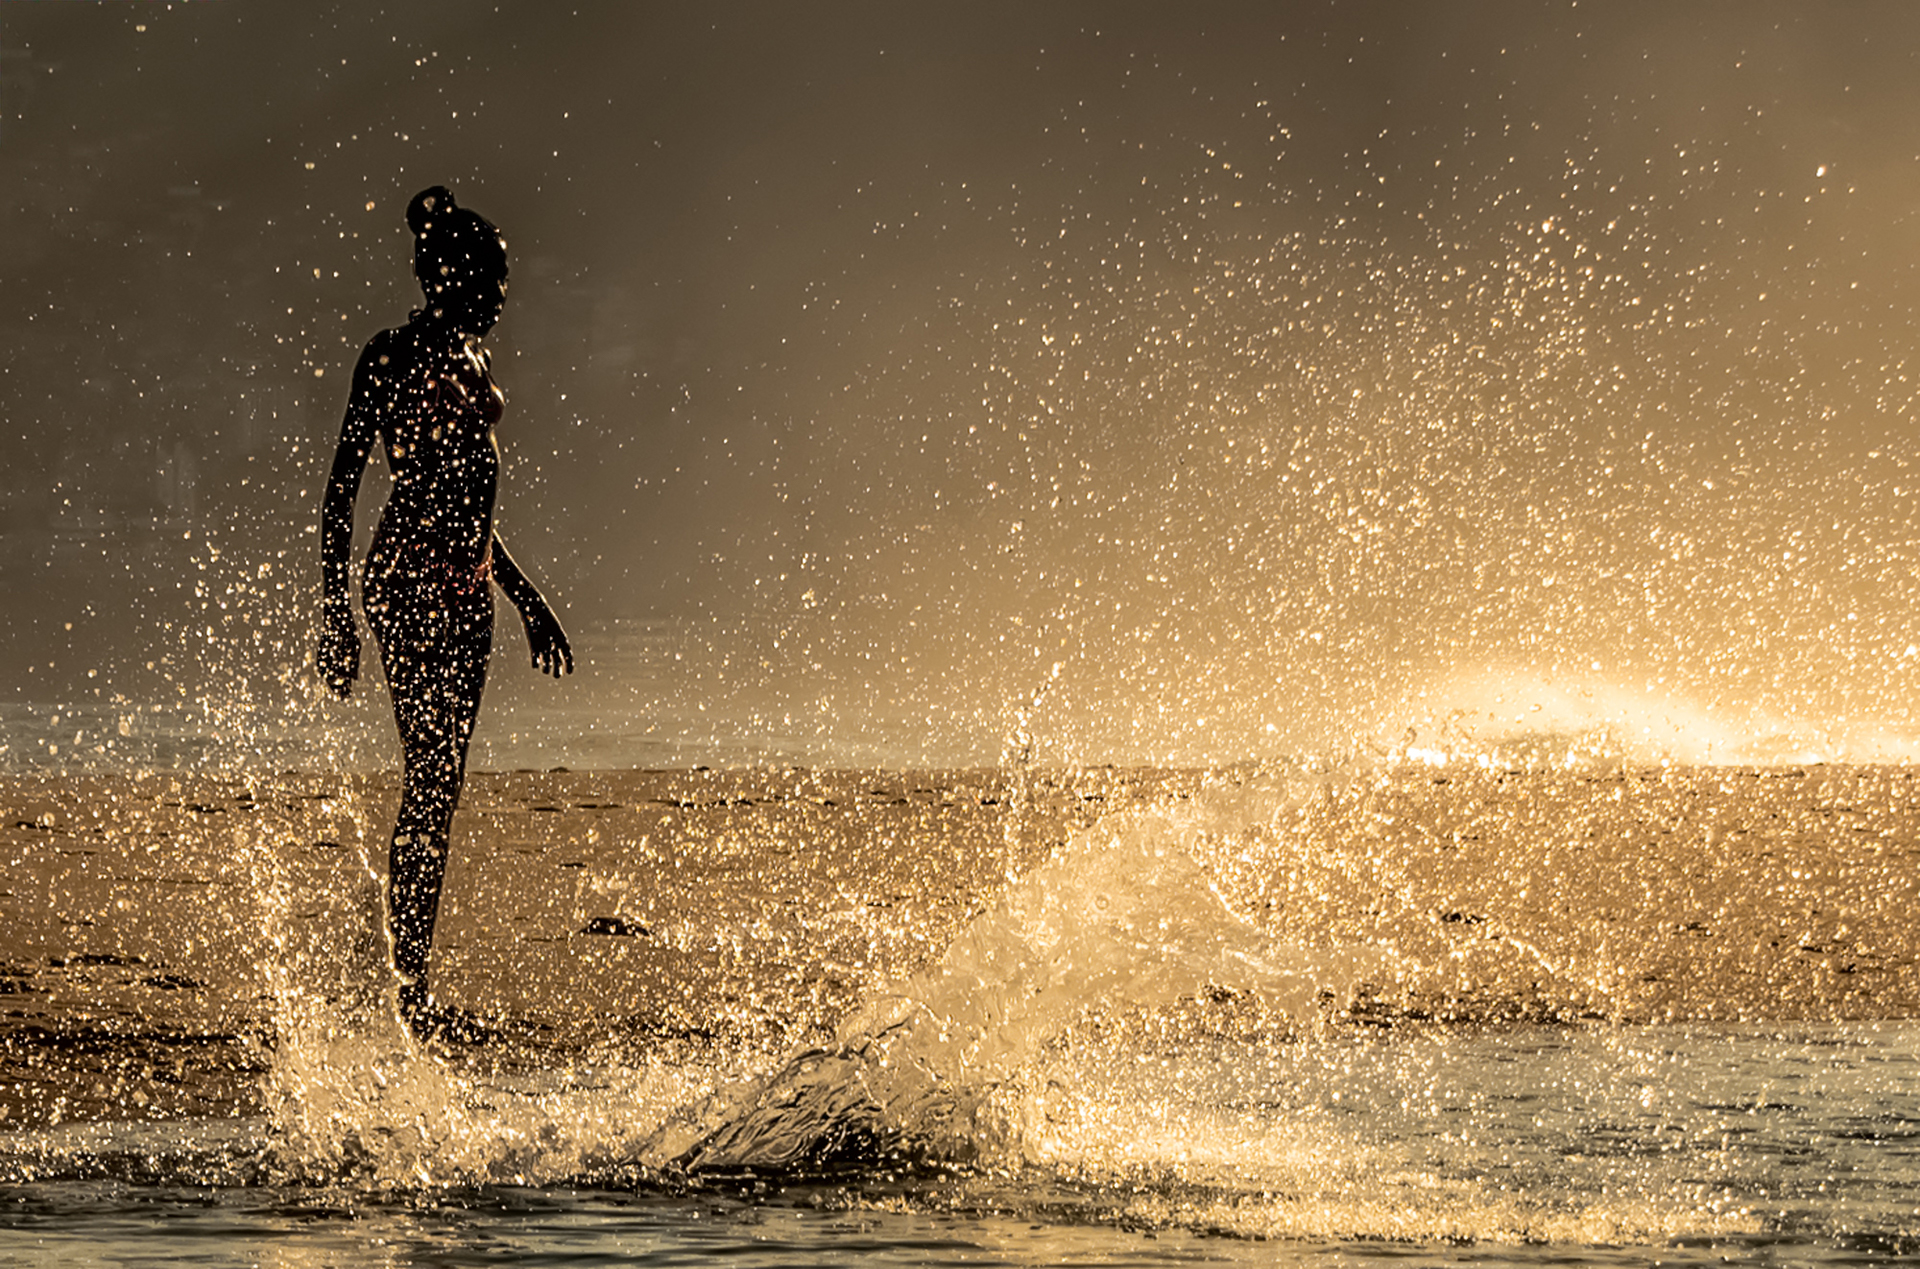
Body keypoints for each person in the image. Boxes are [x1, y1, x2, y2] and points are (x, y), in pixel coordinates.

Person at [317, 185, 572, 1040]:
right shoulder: (390, 356)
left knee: (441, 785)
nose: (503, 295)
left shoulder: (475, 359)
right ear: (449, 275)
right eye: (492, 279)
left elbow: (471, 514)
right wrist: (334, 613)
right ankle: (406, 991)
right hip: (409, 583)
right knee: (430, 781)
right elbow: (346, 487)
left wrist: (529, 602)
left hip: (466, 588)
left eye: (506, 281)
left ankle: (405, 976)